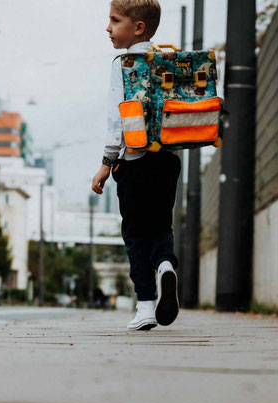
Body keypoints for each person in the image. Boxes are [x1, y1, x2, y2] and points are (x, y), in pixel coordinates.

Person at [92, 0, 181, 332]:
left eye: (115, 20)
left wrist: (105, 163)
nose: (108, 27)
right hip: (169, 161)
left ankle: (145, 306)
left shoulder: (125, 64)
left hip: (135, 161)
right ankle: (166, 266)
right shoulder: (168, 60)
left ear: (138, 28)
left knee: (134, 233)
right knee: (160, 227)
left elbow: (118, 119)